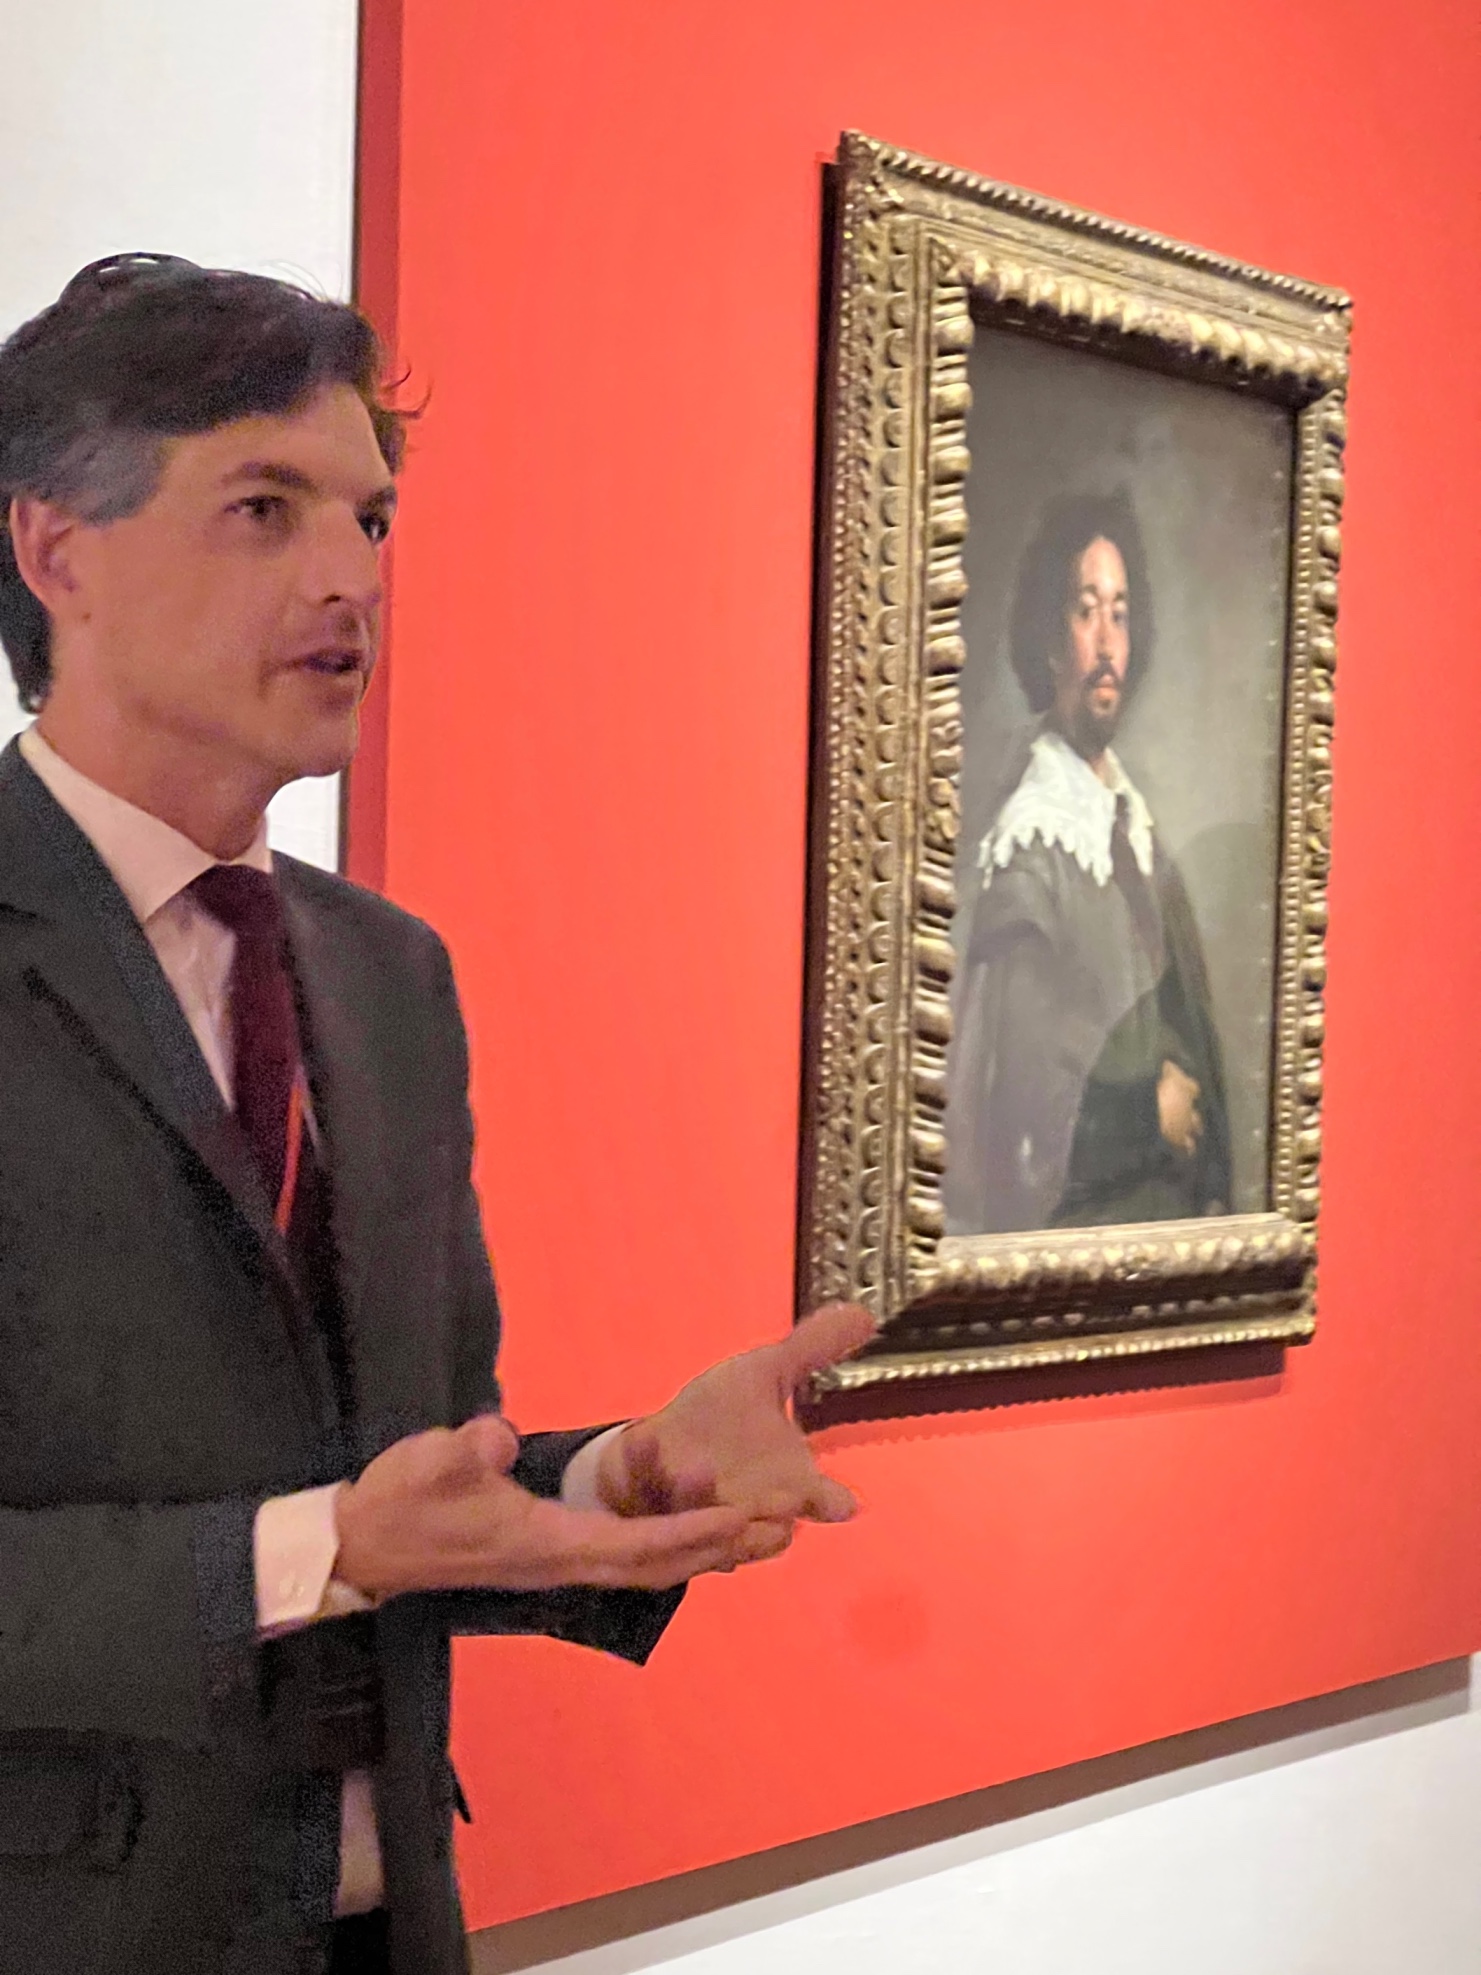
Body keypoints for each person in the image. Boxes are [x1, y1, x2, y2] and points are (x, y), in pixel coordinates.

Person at [0, 255, 874, 1975]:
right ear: (57, 553)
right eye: (265, 508)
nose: (352, 576)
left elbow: (421, 1482)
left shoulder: (387, 974)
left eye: (372, 518)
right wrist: (317, 1550)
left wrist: (617, 1477)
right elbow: (348, 1533)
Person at [943, 490, 1230, 1236]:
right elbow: (1020, 1100)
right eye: (1085, 611)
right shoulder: (1033, 849)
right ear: (1049, 642)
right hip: (1079, 1238)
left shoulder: (1135, 832)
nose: (1106, 643)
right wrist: (1146, 1111)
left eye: (1120, 614)